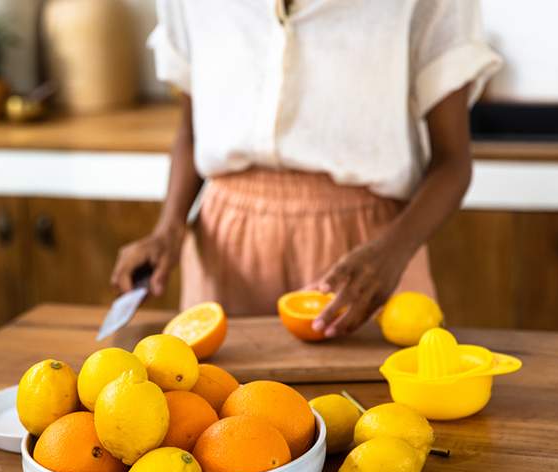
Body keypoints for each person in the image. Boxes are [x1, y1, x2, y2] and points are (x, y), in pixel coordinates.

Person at [111, 0, 502, 338]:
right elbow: (193, 131)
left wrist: (392, 253)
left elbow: (452, 162)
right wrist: (168, 227)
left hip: (369, 254)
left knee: (380, 419)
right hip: (225, 248)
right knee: (218, 418)